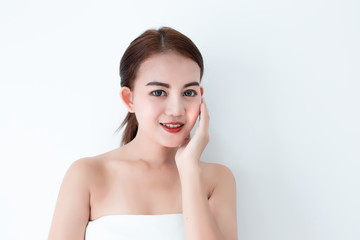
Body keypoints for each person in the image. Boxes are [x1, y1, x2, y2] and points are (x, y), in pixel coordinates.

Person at [48, 26, 238, 240]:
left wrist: (189, 169)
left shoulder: (217, 180)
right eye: (158, 92)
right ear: (129, 99)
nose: (176, 110)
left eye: (188, 92)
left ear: (200, 97)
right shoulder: (87, 174)